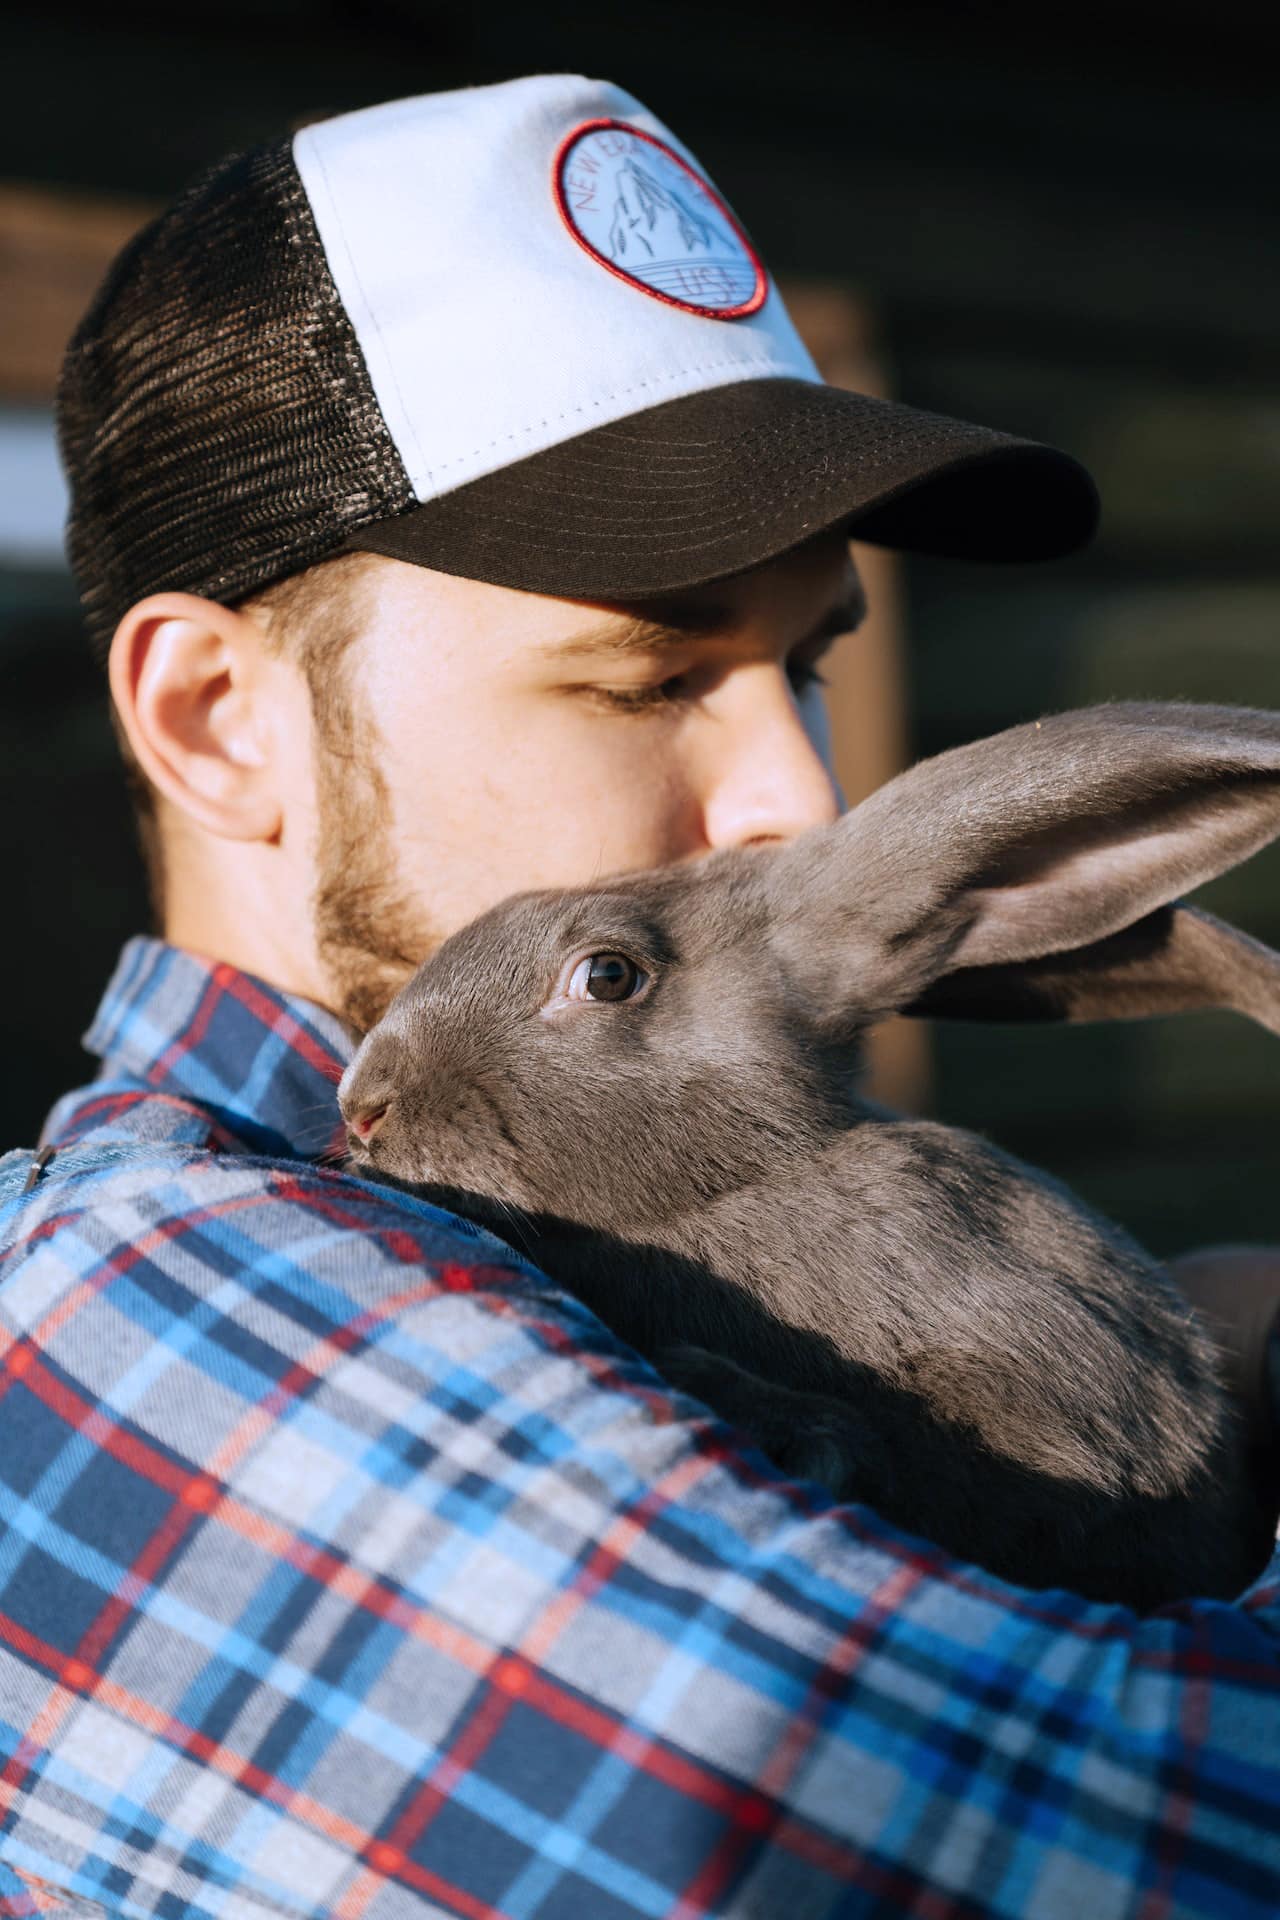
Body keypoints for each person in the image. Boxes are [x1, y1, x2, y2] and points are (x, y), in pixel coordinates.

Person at [0, 74, 1276, 1920]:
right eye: (649, 676)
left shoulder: (632, 1227)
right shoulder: (121, 1314)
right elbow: (1147, 1846)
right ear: (219, 721)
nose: (796, 798)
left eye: (805, 663)